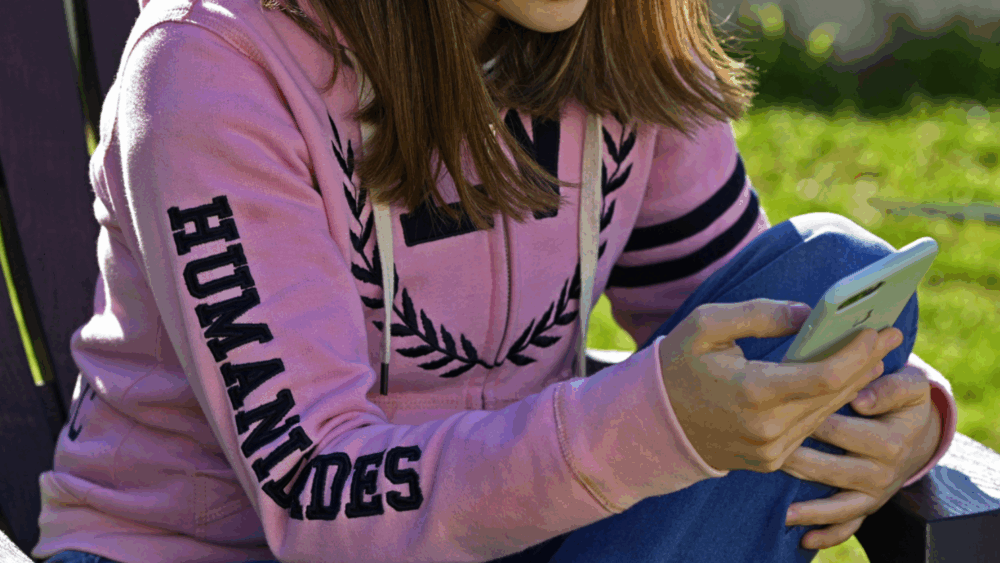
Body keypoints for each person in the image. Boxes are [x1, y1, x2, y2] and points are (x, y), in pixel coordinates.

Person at [32, 0, 957, 561]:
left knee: (839, 269)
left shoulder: (621, 41)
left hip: (509, 537)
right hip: (211, 546)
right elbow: (316, 496)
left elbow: (755, 323)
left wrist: (883, 413)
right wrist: (649, 425)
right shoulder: (214, 67)